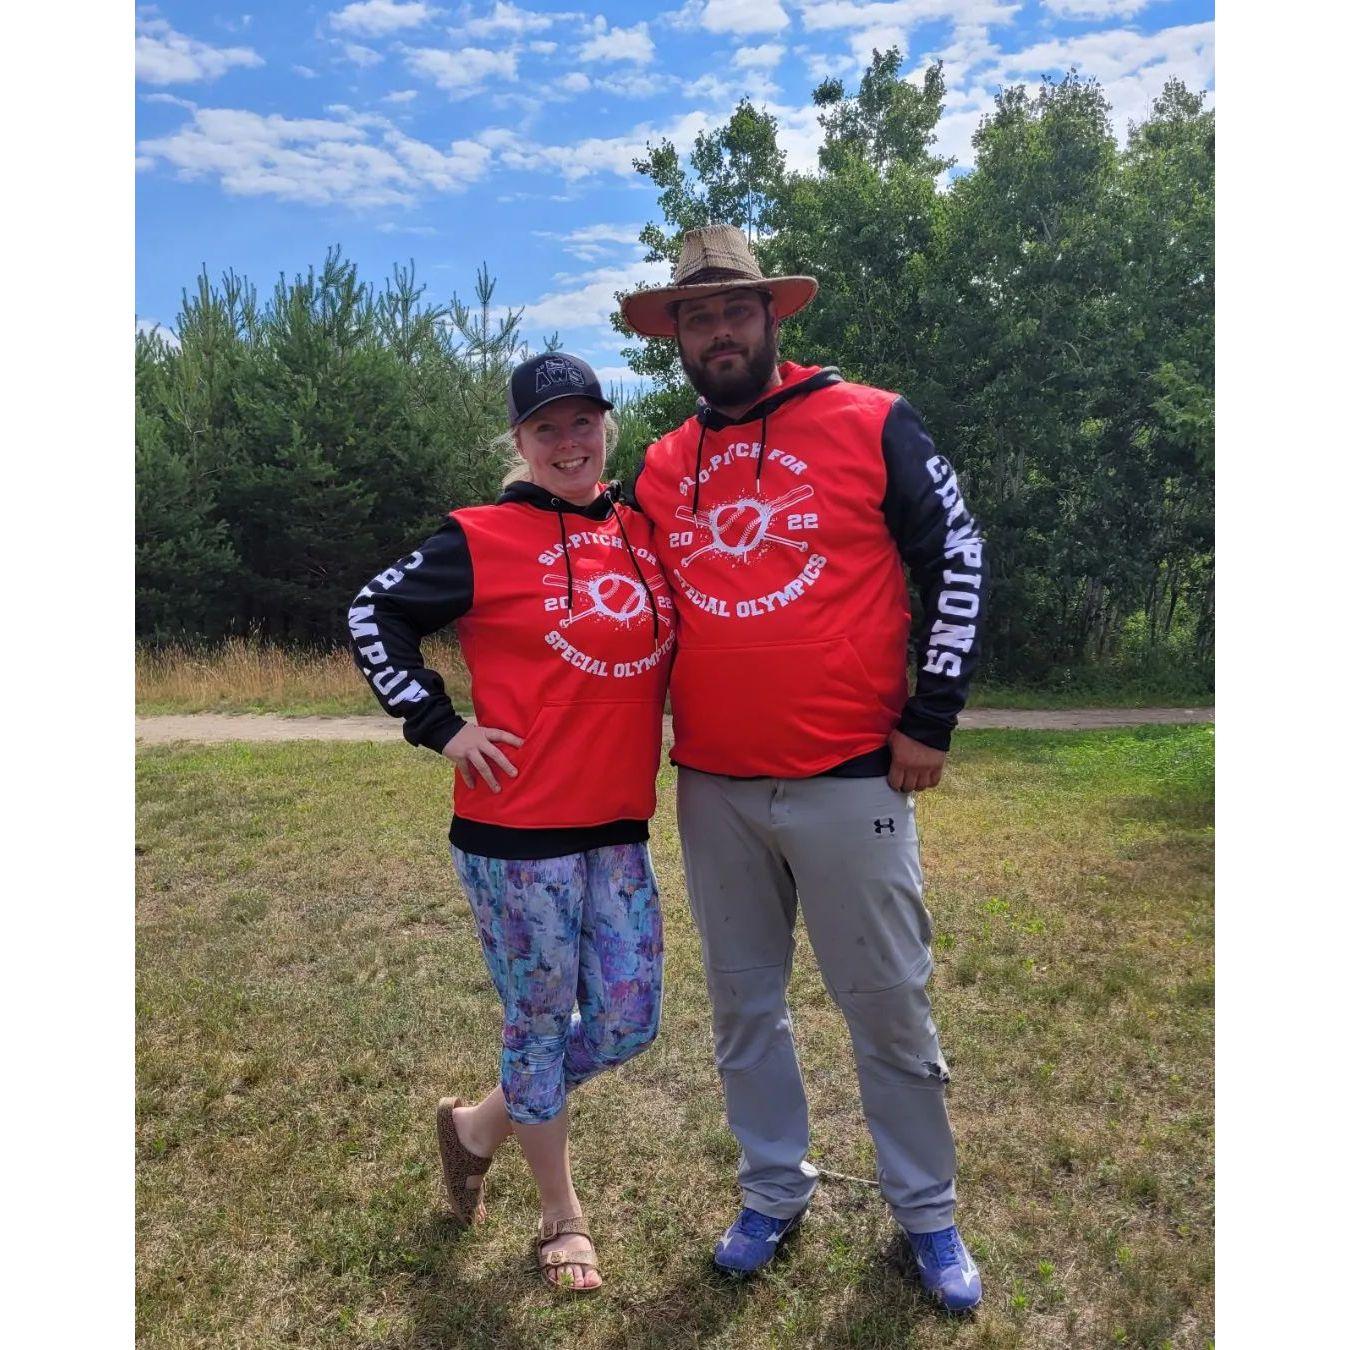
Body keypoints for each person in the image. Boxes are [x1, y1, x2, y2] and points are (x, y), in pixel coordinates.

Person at [619, 225, 988, 1311]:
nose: (718, 330)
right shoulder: (662, 462)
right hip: (716, 785)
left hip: (852, 777)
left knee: (888, 1006)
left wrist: (934, 713)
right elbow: (607, 575)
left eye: (735, 309)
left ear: (773, 316)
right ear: (674, 334)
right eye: (696, 315)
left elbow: (956, 554)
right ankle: (773, 1190)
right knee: (743, 1007)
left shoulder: (870, 419)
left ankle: (927, 1215)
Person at [347, 352, 674, 1292]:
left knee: (625, 1020)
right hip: (515, 832)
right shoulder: (479, 536)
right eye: (546, 428)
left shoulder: (642, 533)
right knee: (537, 1022)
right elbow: (374, 612)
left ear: (607, 426)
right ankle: (561, 1219)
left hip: (618, 824)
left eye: (583, 422)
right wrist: (439, 723)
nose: (568, 442)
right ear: (520, 441)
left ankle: (476, 1127)